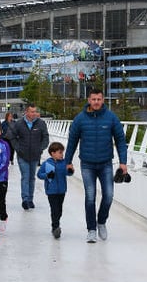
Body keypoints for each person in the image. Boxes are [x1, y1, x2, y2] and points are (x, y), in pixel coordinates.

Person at [65, 88, 128, 243]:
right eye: (93, 99)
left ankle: (101, 222)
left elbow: (120, 140)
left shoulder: (111, 118)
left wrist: (123, 162)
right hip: (87, 164)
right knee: (90, 197)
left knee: (108, 196)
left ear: (103, 100)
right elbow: (72, 141)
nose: (96, 102)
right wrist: (68, 161)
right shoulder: (80, 119)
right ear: (89, 100)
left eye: (99, 99)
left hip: (105, 163)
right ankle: (91, 230)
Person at [8, 103, 49, 210]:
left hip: (35, 155)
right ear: (26, 112)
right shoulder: (19, 124)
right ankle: (25, 199)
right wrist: (18, 148)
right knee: (25, 176)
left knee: (32, 178)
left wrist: (41, 148)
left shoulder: (41, 124)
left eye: (35, 111)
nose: (34, 113)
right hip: (22, 155)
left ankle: (30, 199)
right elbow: (12, 136)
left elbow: (45, 137)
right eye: (32, 111)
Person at [37, 141, 69, 239]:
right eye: (60, 153)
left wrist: (70, 170)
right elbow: (39, 174)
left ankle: (55, 225)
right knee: (54, 209)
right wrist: (47, 175)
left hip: (62, 190)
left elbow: (68, 173)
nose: (62, 155)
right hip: (51, 191)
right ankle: (55, 227)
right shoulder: (46, 163)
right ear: (53, 153)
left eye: (62, 153)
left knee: (59, 210)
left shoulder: (64, 163)